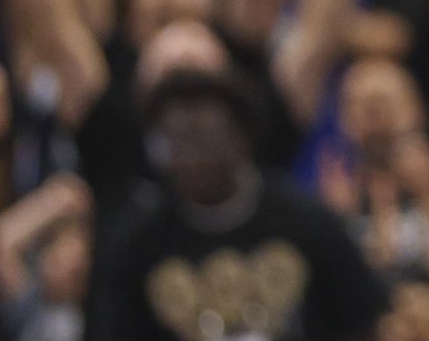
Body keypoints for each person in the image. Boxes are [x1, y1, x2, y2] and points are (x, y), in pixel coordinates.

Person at [91, 67, 388, 341]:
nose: (191, 157)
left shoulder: (308, 223)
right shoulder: (137, 242)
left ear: (242, 140)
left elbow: (362, 321)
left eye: (204, 138)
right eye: (176, 141)